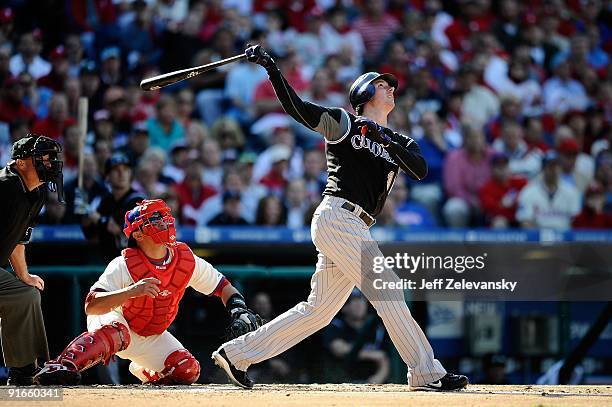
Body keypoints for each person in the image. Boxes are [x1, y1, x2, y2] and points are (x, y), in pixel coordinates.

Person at [212, 45, 468, 391]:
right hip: (339, 216)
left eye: (391, 85)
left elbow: (420, 170)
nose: (391, 88)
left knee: (318, 311)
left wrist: (386, 140)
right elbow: (299, 109)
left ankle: (237, 355)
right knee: (389, 290)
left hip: (355, 225)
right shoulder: (345, 123)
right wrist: (273, 69)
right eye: (381, 85)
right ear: (363, 93)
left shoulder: (402, 140)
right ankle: (425, 372)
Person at [33, 199, 261, 385]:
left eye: (163, 218)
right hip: (115, 320)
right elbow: (92, 305)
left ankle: (144, 370)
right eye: (154, 220)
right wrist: (131, 292)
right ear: (139, 234)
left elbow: (223, 287)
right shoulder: (124, 263)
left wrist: (238, 309)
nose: (162, 223)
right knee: (117, 332)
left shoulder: (185, 259)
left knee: (187, 370)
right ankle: (62, 364)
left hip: (149, 333)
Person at [0, 135, 63, 385]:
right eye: (44, 157)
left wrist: (24, 276)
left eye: (52, 157)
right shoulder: (4, 185)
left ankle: (23, 372)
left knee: (25, 294)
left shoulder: (36, 194)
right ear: (21, 162)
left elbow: (17, 240)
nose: (50, 162)